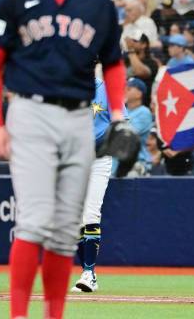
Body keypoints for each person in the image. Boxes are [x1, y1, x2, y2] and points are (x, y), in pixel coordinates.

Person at [0, 0, 125, 319]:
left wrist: (119, 115)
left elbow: (113, 65)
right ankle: (19, 315)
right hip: (31, 112)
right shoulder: (12, 0)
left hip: (79, 118)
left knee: (63, 232)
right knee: (34, 220)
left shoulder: (97, 2)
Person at [71, 78, 122, 293]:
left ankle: (89, 273)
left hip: (99, 158)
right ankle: (87, 272)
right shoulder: (66, 85)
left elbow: (120, 123)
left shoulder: (109, 88)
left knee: (91, 214)